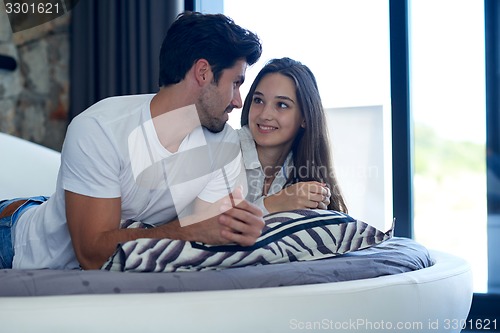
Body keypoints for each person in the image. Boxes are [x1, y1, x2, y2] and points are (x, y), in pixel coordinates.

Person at [0, 11, 265, 270]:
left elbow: (207, 238)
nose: (238, 101)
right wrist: (193, 230)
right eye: (235, 83)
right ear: (203, 73)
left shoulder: (224, 145)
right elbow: (92, 255)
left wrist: (233, 228)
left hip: (71, 207)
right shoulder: (100, 129)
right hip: (16, 242)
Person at [238, 57, 348, 215]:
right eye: (258, 100)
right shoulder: (224, 148)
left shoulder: (304, 174)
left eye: (282, 105)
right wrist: (276, 203)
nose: (265, 114)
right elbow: (212, 226)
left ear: (305, 117)